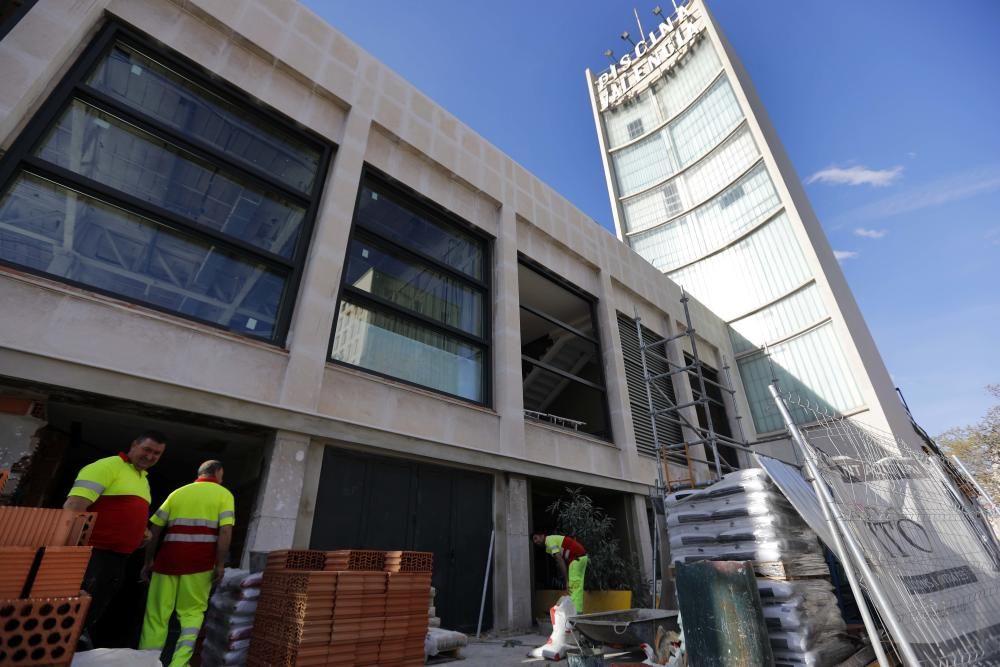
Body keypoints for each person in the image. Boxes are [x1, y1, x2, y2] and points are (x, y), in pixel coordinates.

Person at [64, 430, 167, 648]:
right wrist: (68, 553)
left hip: (118, 557)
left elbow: (127, 515)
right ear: (133, 445)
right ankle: (63, 646)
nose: (150, 457)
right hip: (91, 553)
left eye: (157, 454)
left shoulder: (143, 480)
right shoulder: (107, 466)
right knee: (73, 608)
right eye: (147, 450)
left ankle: (76, 644)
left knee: (93, 609)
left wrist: (143, 533)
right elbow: (73, 507)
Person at [139, 460, 234, 667]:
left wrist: (149, 561)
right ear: (217, 473)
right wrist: (219, 564)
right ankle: (179, 664)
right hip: (199, 565)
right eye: (222, 474)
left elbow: (154, 529)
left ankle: (145, 662)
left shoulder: (178, 493)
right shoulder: (224, 495)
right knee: (191, 616)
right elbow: (226, 531)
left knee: (156, 615)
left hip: (166, 563)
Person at [533, 532, 589, 613]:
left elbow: (560, 560)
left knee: (572, 588)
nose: (535, 542)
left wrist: (566, 580)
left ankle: (575, 615)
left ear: (542, 535)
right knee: (577, 587)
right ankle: (578, 612)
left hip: (576, 559)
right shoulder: (551, 540)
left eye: (536, 538)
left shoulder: (549, 541)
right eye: (534, 540)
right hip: (582, 558)